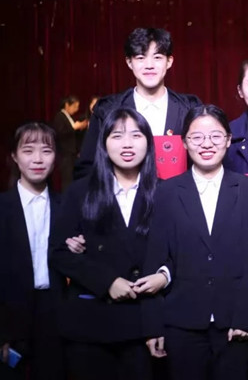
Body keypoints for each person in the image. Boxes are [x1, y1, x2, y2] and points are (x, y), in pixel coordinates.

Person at [142, 105, 248, 380]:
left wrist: (245, 317)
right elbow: (155, 258)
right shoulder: (166, 192)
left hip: (234, 321)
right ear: (184, 142)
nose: (206, 144)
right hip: (181, 322)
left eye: (216, 136)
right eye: (196, 137)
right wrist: (153, 325)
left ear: (228, 140)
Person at [49, 108, 162, 380]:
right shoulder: (80, 191)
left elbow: (176, 254)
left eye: (136, 135)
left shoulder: (164, 192)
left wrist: (162, 278)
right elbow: (58, 253)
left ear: (148, 142)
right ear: (103, 143)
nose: (127, 144)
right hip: (90, 325)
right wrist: (107, 281)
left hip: (142, 326)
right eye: (117, 135)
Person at [75, 27, 201, 179]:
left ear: (169, 61)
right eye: (141, 58)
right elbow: (87, 168)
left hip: (179, 193)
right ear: (129, 62)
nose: (149, 65)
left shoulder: (189, 108)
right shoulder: (107, 109)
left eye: (157, 57)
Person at [0, 122, 65, 380]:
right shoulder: (3, 208)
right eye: (28, 150)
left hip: (56, 316)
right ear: (14, 156)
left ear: (56, 157)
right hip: (10, 317)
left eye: (46, 151)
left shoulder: (67, 206)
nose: (37, 159)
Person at [52, 95, 88, 190]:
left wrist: (79, 127)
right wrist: (74, 128)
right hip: (64, 154)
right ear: (67, 105)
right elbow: (59, 133)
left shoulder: (69, 117)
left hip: (71, 153)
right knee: (66, 179)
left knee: (71, 178)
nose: (76, 110)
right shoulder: (60, 116)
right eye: (74, 106)